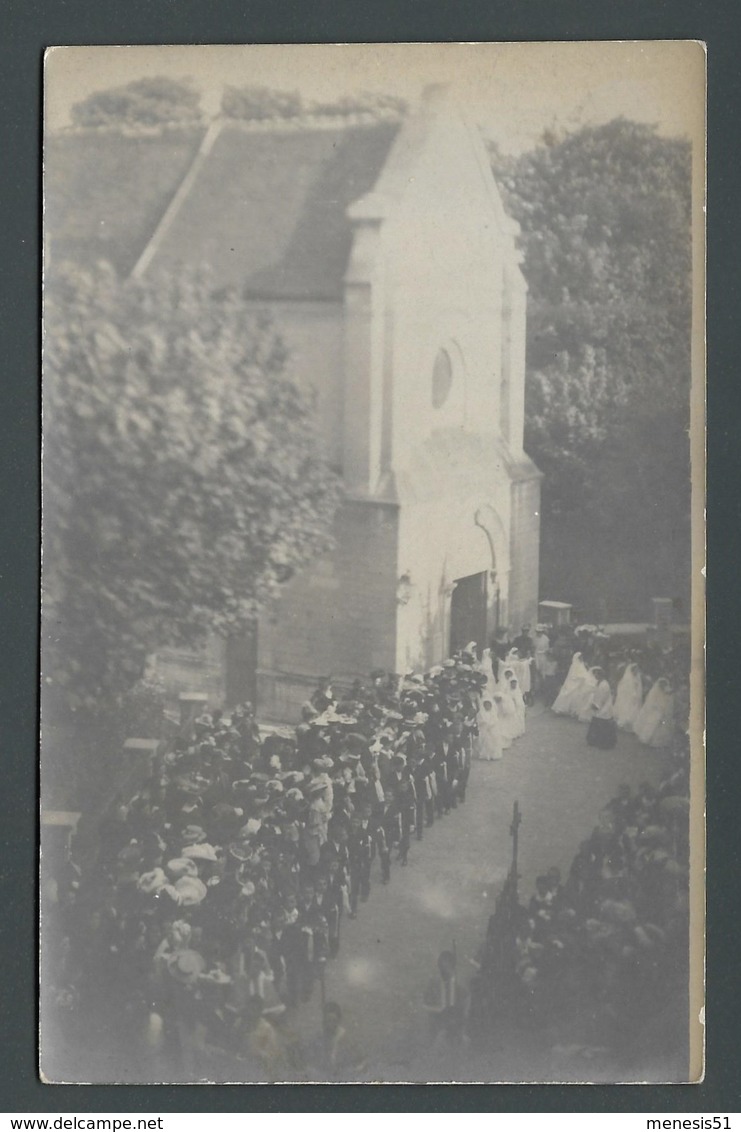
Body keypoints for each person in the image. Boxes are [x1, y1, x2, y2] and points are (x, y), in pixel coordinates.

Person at [422, 949, 468, 1047]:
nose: (444, 969)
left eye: (447, 966)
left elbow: (464, 1011)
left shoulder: (460, 988)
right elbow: (424, 1005)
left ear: (453, 966)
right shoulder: (433, 985)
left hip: (455, 1027)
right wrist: (439, 1010)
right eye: (442, 966)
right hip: (437, 1025)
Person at [633, 677, 675, 747]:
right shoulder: (655, 692)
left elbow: (668, 696)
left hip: (663, 709)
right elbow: (652, 702)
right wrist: (658, 707)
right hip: (656, 710)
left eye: (664, 685)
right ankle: (647, 738)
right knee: (652, 723)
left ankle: (656, 741)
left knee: (660, 725)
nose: (663, 686)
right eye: (662, 685)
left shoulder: (667, 691)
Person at [586, 667, 617, 750]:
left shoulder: (604, 685)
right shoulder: (599, 683)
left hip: (604, 706)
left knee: (603, 723)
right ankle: (595, 740)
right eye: (594, 673)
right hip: (600, 706)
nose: (595, 675)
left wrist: (596, 705)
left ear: (601, 675)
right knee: (597, 721)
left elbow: (602, 697)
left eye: (597, 673)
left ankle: (604, 742)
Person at [613, 661, 645, 731]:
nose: (636, 671)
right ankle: (623, 723)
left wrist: (637, 695)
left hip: (635, 696)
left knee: (634, 709)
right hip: (628, 697)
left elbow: (638, 687)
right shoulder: (627, 679)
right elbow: (623, 688)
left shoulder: (637, 678)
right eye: (635, 670)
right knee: (627, 709)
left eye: (637, 670)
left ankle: (632, 725)